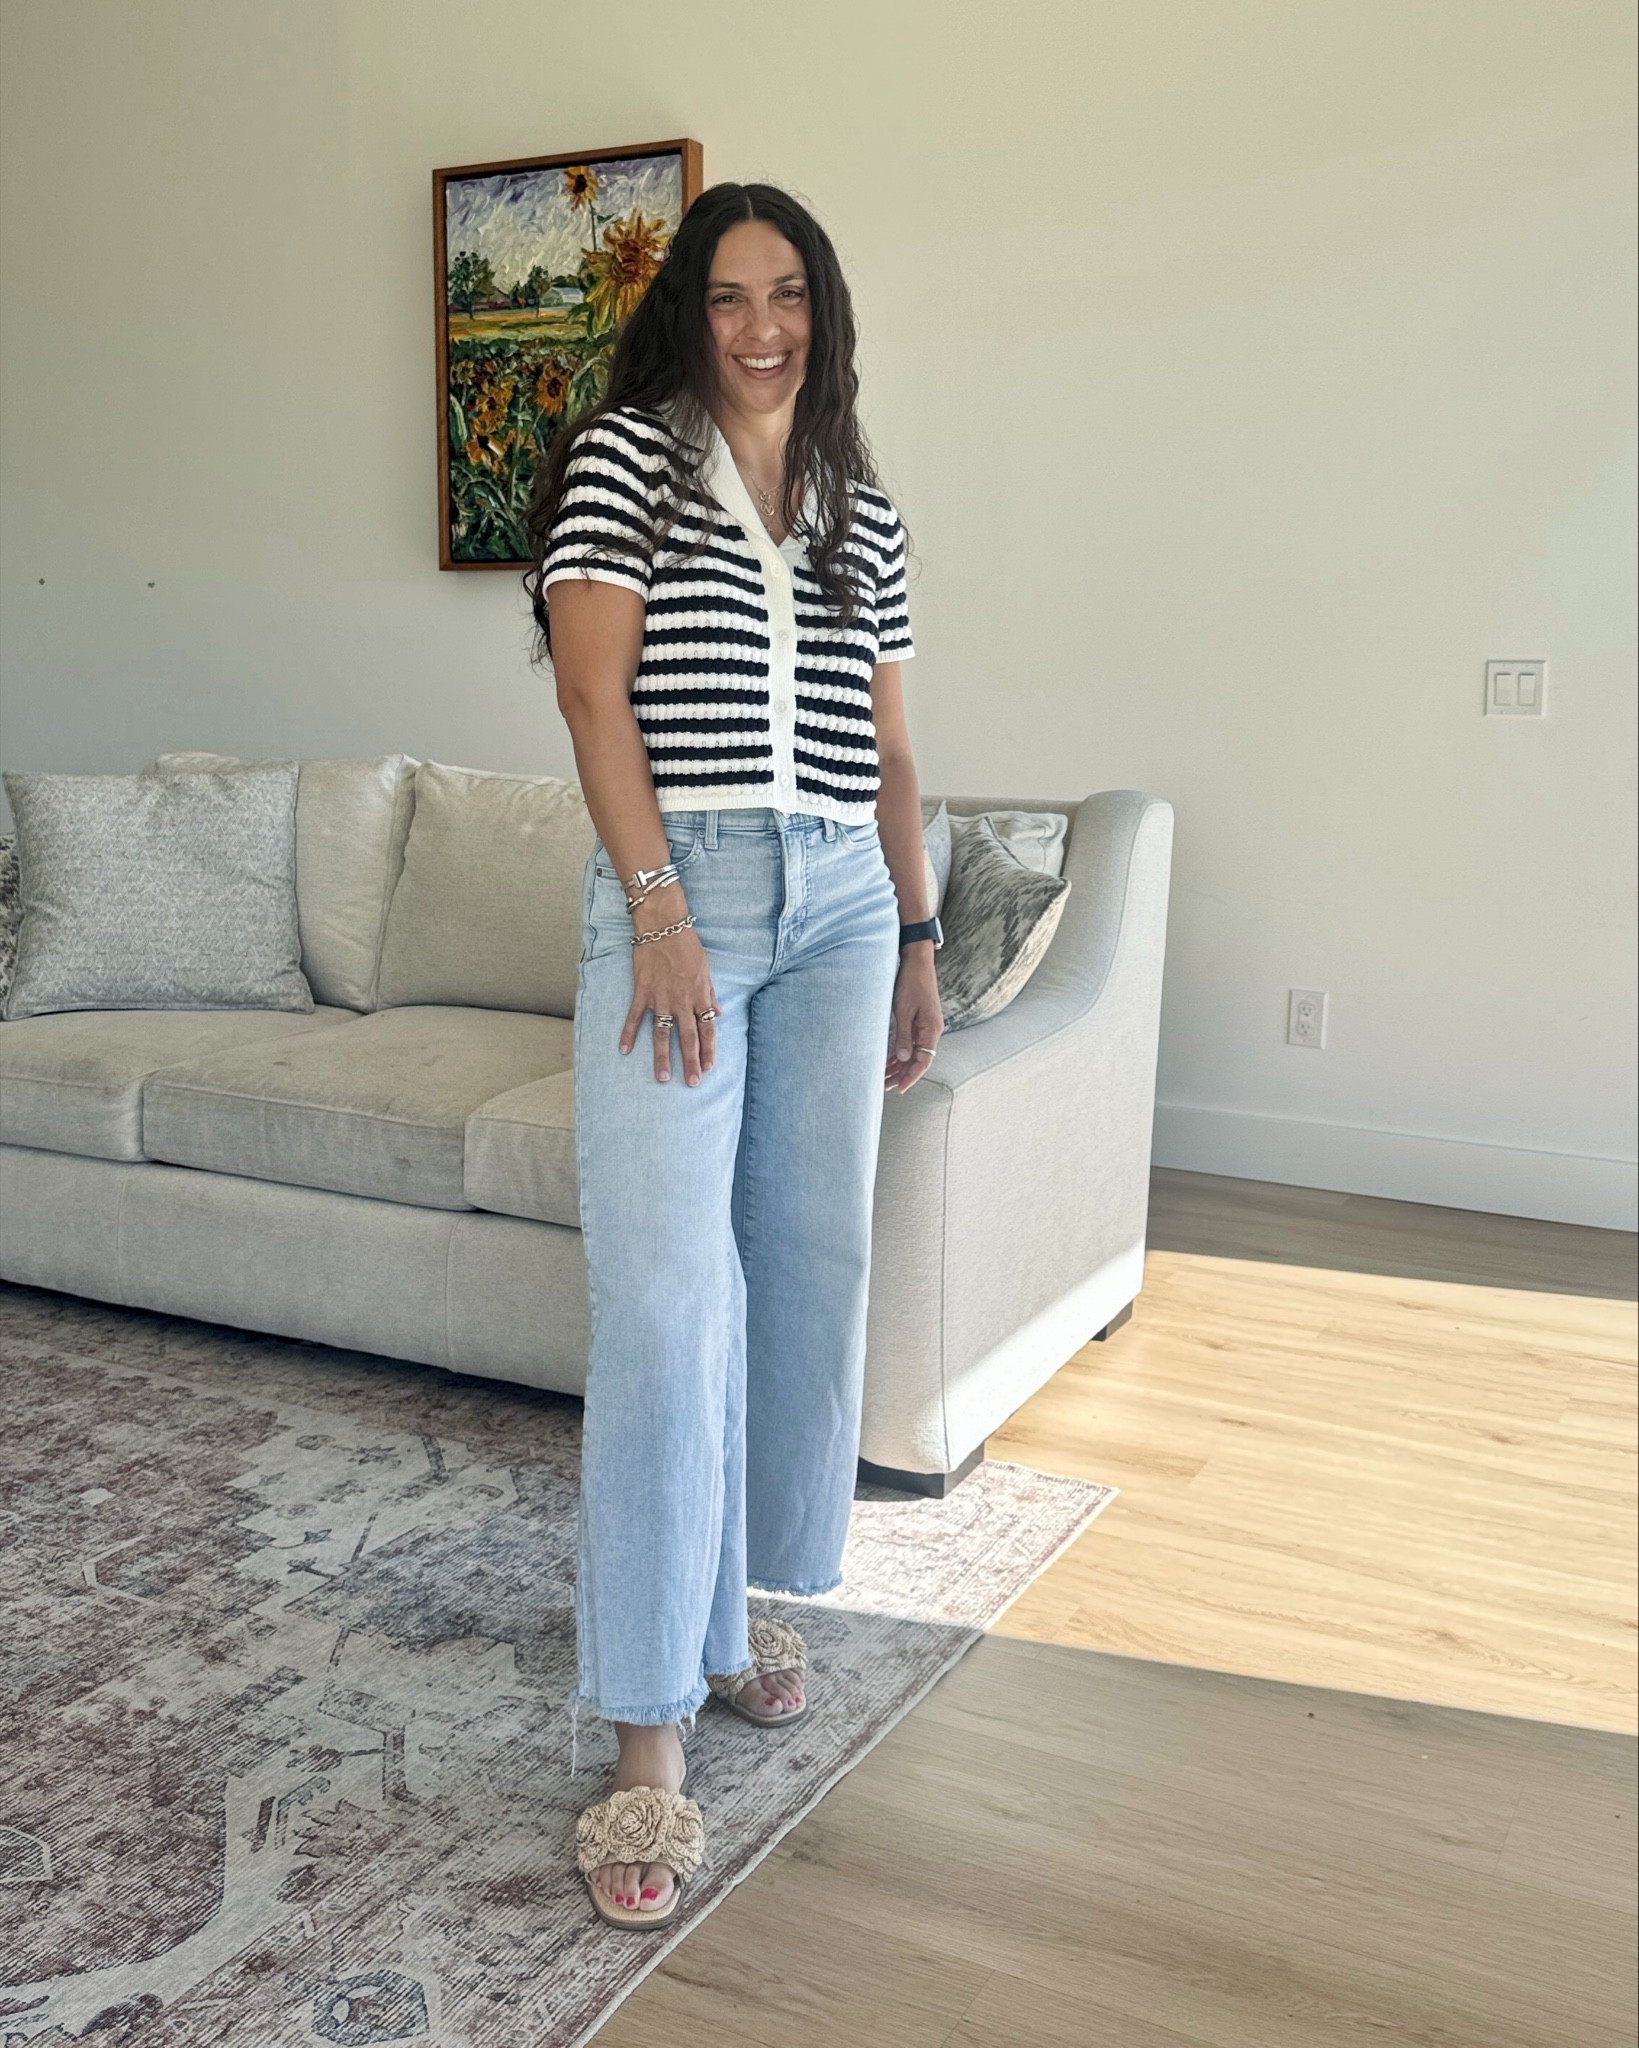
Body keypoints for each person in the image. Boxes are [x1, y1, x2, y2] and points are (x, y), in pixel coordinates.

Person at [524, 181, 943, 1931]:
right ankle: (643, 1736)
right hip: (677, 895)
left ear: (822, 313)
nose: (760, 326)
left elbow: (897, 745)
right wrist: (663, 907)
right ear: (685, 314)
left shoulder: (866, 505)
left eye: (787, 295)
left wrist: (919, 933)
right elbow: (590, 697)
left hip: (845, 899)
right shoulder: (625, 458)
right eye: (727, 297)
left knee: (801, 1268)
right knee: (664, 1300)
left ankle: (731, 1609)